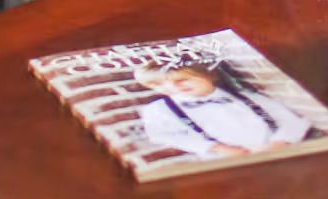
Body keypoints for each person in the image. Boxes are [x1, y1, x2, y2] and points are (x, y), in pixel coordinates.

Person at [135, 56, 315, 156]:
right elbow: (161, 135)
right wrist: (217, 148)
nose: (174, 88)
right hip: (225, 160)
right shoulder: (160, 110)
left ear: (209, 75)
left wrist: (279, 143)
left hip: (275, 151)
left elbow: (291, 120)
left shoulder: (247, 98)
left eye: (183, 80)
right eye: (159, 85)